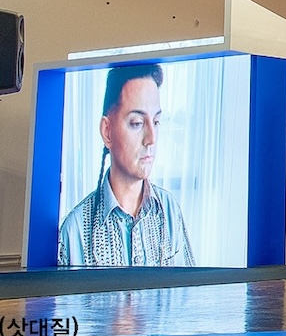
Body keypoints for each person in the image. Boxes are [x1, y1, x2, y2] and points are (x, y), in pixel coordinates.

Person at [58, 63, 195, 266]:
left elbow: (191, 286)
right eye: (137, 123)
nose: (151, 139)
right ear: (107, 131)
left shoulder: (170, 212)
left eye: (156, 122)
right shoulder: (75, 230)